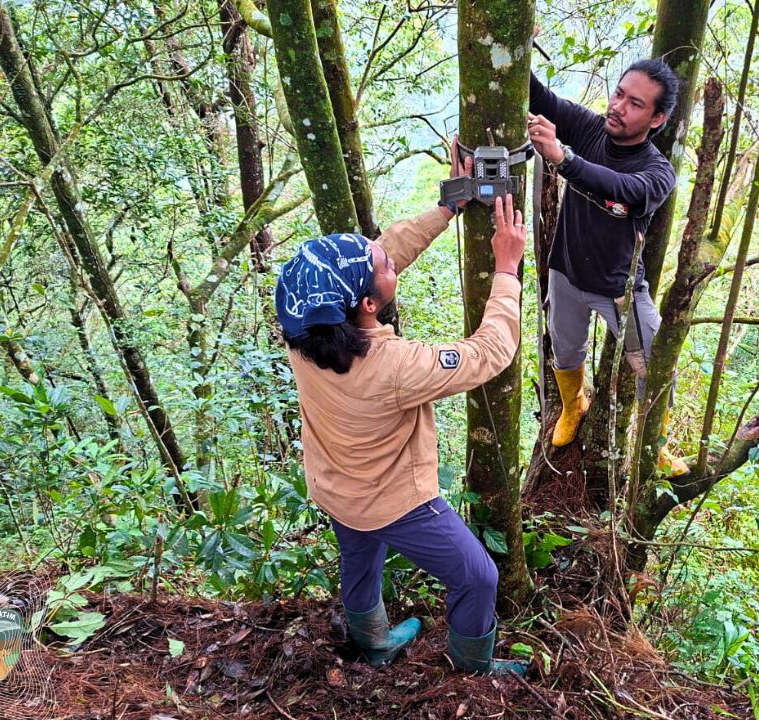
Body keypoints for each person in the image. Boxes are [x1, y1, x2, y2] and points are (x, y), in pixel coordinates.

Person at [274, 155, 529, 676]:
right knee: (478, 576)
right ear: (368, 303)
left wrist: (445, 209)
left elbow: (383, 252)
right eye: (384, 266)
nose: (391, 259)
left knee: (359, 560)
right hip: (392, 499)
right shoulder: (392, 366)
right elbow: (489, 353)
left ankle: (372, 642)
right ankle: (473, 671)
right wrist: (506, 271)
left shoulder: (305, 330)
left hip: (335, 484)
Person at [526, 59, 689, 475]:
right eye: (619, 94)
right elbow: (540, 97)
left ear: (658, 118)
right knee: (565, 350)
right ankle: (572, 405)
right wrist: (521, 43)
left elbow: (622, 188)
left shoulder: (657, 172)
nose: (618, 106)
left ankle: (655, 440)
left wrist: (563, 159)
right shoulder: (591, 127)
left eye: (635, 104)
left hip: (619, 286)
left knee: (654, 364)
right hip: (565, 272)